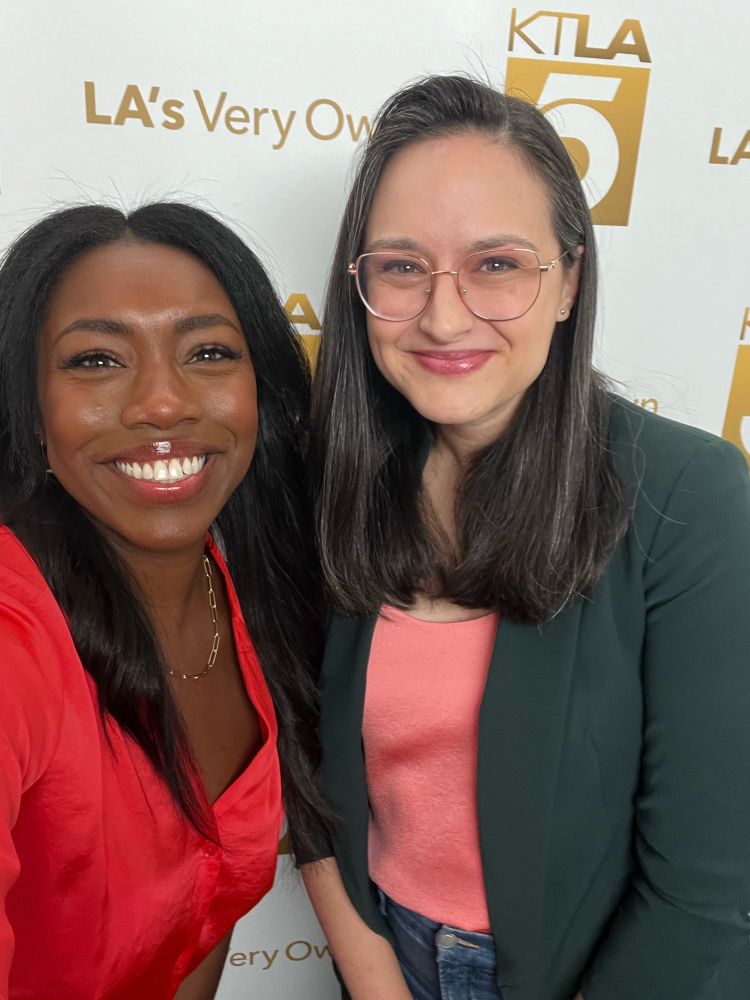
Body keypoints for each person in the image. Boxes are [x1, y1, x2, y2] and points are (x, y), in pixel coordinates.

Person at [301, 75, 750, 1000]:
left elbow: (704, 889)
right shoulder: (332, 477)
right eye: (401, 266)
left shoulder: (688, 495)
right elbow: (303, 772)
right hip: (381, 954)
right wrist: (375, 978)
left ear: (568, 281)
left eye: (497, 264)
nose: (443, 315)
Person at [0, 202, 326, 999]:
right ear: (30, 411)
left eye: (208, 352)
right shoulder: (14, 633)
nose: (162, 403)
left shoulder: (243, 581)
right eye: (96, 361)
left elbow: (195, 934)